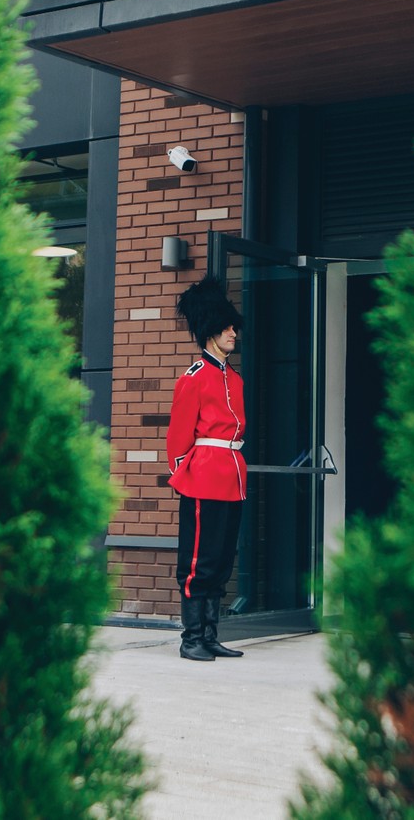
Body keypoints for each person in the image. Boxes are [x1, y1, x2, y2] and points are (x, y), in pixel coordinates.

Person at [166, 277, 248, 661]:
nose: (234, 333)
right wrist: (186, 477)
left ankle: (211, 636)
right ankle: (191, 638)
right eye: (228, 327)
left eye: (234, 327)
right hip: (203, 478)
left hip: (231, 477)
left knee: (220, 560)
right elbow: (178, 440)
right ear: (210, 331)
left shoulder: (234, 379)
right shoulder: (193, 379)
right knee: (198, 562)